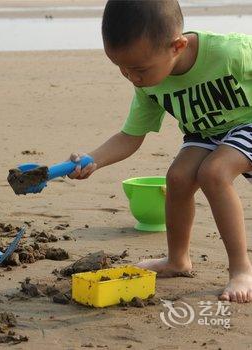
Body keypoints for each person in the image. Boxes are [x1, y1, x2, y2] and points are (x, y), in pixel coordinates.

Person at [67, 0, 252, 303]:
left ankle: (241, 270)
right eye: (121, 68)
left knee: (214, 172)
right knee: (177, 178)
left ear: (177, 46)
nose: (131, 77)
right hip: (205, 132)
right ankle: (178, 260)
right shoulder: (148, 84)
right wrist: (94, 160)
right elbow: (130, 136)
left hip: (248, 121)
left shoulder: (229, 52)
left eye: (138, 69)